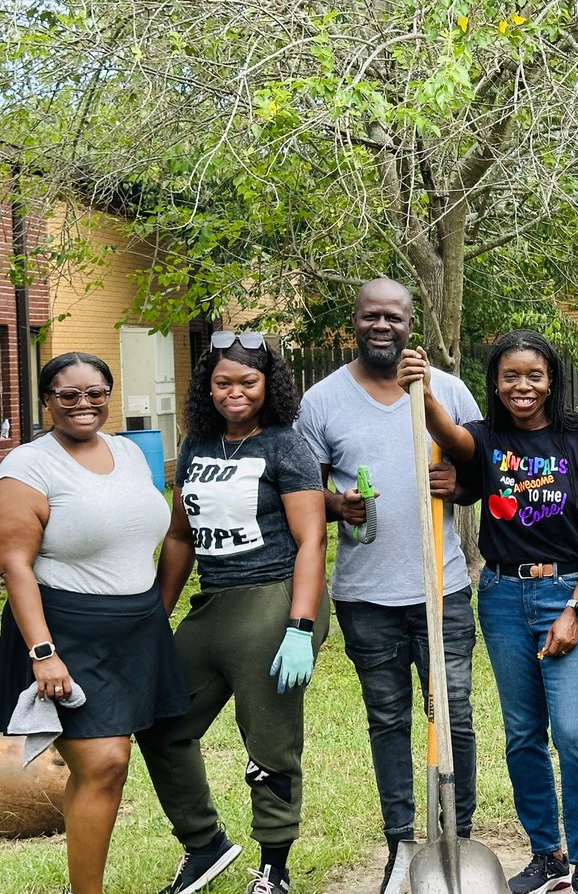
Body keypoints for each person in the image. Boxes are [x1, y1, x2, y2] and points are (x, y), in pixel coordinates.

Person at [399, 330, 578, 894]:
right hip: (499, 596)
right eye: (511, 376)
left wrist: (576, 607)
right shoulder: (487, 437)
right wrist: (422, 392)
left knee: (573, 732)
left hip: (567, 591)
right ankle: (548, 855)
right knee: (523, 733)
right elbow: (448, 435)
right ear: (494, 382)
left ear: (552, 381)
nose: (523, 386)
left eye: (535, 375)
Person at [295, 277, 481, 890]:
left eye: (393, 317)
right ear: (355, 322)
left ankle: (456, 838)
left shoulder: (446, 390)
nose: (382, 326)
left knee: (451, 715)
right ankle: (402, 843)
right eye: (371, 316)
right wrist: (334, 502)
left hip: (443, 586)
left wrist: (460, 484)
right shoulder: (321, 401)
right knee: (388, 718)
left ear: (410, 322)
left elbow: (482, 472)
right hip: (365, 594)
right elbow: (304, 495)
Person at [137, 331, 328, 894]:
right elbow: (178, 538)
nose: (235, 392)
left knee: (268, 741)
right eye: (223, 382)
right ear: (207, 385)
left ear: (269, 386)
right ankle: (206, 845)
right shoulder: (196, 441)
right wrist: (155, 616)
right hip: (213, 603)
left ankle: (275, 867)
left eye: (248, 382)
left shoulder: (285, 445)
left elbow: (312, 540)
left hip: (274, 598)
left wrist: (299, 627)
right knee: (160, 722)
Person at [0, 353, 188, 894]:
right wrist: (42, 652)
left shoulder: (129, 452)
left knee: (113, 765)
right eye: (68, 395)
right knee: (104, 761)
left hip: (134, 628)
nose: (84, 404)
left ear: (109, 393)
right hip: (66, 629)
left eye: (96, 393)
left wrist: (157, 612)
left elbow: (143, 532)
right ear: (47, 401)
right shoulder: (27, 467)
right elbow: (15, 566)